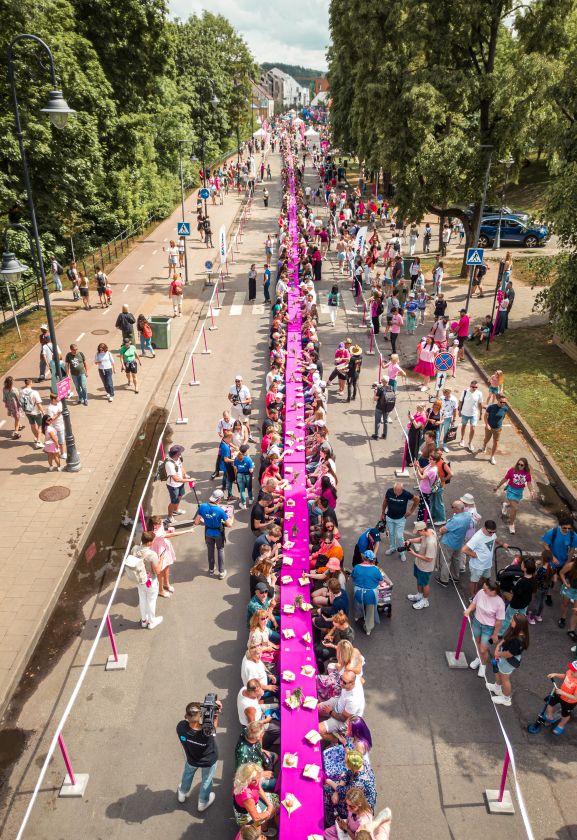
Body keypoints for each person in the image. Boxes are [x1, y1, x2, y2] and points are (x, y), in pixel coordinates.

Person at [176, 697, 222, 811]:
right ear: (200, 716)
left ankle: (182, 793)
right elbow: (213, 727)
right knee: (206, 780)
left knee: (187, 774)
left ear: (186, 716)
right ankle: (202, 802)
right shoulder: (207, 733)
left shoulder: (181, 727)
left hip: (192, 758)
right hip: (208, 761)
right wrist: (216, 713)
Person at [464, 579, 505, 679]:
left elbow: (499, 621)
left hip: (489, 628)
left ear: (493, 591)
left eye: (486, 589)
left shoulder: (500, 603)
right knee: (477, 643)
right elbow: (474, 603)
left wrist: (495, 635)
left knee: (483, 649)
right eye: (483, 588)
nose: (483, 590)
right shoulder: (481, 593)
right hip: (477, 623)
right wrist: (469, 610)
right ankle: (479, 658)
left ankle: (483, 665)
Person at [487, 614, 530, 706]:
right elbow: (505, 639)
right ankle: (497, 688)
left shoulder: (518, 640)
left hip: (508, 661)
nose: (511, 621)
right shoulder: (516, 630)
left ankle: (506, 699)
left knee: (505, 679)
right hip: (504, 656)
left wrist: (498, 654)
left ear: (519, 624)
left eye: (513, 621)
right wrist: (498, 646)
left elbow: (509, 654)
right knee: (499, 672)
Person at [463, 520, 508, 600]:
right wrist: (475, 555)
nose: (492, 534)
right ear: (484, 528)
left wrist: (502, 544)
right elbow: (464, 549)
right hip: (477, 566)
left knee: (485, 579)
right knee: (474, 581)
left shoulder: (492, 533)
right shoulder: (477, 538)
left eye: (494, 532)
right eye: (490, 532)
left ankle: (479, 592)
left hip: (487, 564)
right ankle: (473, 596)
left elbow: (495, 539)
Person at [194, 489, 232, 579]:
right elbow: (229, 524)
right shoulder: (220, 511)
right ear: (218, 499)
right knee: (220, 549)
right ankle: (221, 572)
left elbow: (196, 522)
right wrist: (231, 517)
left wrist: (206, 519)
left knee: (210, 550)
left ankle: (211, 570)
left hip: (208, 532)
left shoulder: (202, 507)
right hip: (218, 532)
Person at [129, 531, 164, 629]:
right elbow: (157, 571)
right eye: (153, 541)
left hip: (139, 579)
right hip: (150, 581)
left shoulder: (134, 549)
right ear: (149, 542)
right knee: (151, 601)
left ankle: (144, 620)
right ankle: (152, 622)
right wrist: (161, 559)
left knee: (142, 599)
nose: (153, 542)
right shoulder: (152, 555)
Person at [494, 457, 537, 534]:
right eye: (518, 464)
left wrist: (532, 491)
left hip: (519, 492)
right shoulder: (512, 470)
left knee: (513, 505)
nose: (519, 466)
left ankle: (506, 505)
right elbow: (505, 479)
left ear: (525, 466)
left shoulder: (527, 473)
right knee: (515, 508)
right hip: (511, 490)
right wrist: (497, 487)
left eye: (522, 465)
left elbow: (529, 483)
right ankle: (511, 524)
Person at [319, 670, 365, 741]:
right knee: (317, 708)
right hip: (339, 703)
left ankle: (336, 740)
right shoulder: (356, 678)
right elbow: (363, 680)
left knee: (319, 730)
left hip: (344, 720)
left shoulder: (353, 700)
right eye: (341, 679)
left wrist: (330, 712)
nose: (341, 683)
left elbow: (343, 718)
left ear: (352, 683)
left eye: (344, 682)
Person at [232, 763, 279, 831]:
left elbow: (258, 788)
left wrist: (269, 803)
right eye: (254, 780)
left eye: (258, 778)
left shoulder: (245, 779)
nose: (257, 782)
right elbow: (256, 818)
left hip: (252, 802)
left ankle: (264, 826)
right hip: (246, 816)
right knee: (275, 807)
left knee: (275, 798)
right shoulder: (247, 796)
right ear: (246, 779)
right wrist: (269, 811)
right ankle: (264, 829)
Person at [435, 500, 472, 586]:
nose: (452, 509)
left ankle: (444, 579)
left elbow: (443, 530)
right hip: (459, 542)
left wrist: (440, 529)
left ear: (457, 509)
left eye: (453, 507)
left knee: (445, 561)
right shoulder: (468, 515)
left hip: (449, 543)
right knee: (456, 559)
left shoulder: (455, 520)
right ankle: (455, 576)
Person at [234, 721, 277, 793]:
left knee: (275, 756)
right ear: (258, 737)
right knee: (276, 782)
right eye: (263, 733)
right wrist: (261, 774)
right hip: (251, 774)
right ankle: (259, 791)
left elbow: (255, 730)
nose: (264, 734)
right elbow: (243, 775)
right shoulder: (244, 754)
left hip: (257, 759)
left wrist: (261, 750)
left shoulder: (247, 731)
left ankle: (269, 770)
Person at [499, 557, 536, 635]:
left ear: (525, 569)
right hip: (525, 603)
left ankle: (500, 633)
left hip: (515, 604)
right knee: (521, 618)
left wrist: (514, 587)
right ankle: (519, 631)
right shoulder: (533, 579)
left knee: (508, 618)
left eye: (522, 564)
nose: (521, 564)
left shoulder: (522, 581)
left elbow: (514, 591)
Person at [406, 521, 437, 610]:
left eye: (418, 531)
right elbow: (421, 539)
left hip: (425, 567)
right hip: (419, 563)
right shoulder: (429, 531)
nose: (418, 533)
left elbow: (429, 559)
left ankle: (425, 601)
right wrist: (410, 540)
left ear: (423, 529)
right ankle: (419, 595)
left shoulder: (431, 543)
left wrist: (414, 554)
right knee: (419, 580)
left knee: (425, 583)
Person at [541, 660, 577, 736]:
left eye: (574, 671)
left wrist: (562, 693)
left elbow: (575, 697)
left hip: (569, 701)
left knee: (565, 715)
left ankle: (561, 725)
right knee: (549, 702)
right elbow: (565, 675)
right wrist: (556, 674)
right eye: (572, 669)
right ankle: (549, 716)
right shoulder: (570, 672)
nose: (571, 671)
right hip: (559, 693)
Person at [351, 551, 384, 635]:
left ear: (363, 558)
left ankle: (357, 616)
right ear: (372, 560)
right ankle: (368, 629)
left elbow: (353, 578)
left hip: (358, 592)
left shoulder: (356, 567)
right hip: (370, 595)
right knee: (370, 611)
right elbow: (381, 582)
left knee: (357, 604)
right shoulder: (376, 570)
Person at [381, 483, 419, 555]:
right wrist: (382, 513)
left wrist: (411, 511)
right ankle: (392, 548)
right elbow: (385, 501)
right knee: (391, 534)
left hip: (400, 519)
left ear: (402, 489)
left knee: (399, 536)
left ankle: (402, 552)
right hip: (389, 518)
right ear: (393, 489)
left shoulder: (406, 494)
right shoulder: (389, 491)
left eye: (399, 491)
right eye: (396, 491)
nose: (397, 493)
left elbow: (417, 499)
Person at [164, 444, 194, 523]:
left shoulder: (178, 458)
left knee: (180, 496)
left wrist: (185, 475)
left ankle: (176, 510)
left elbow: (181, 467)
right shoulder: (169, 464)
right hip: (173, 486)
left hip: (180, 484)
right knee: (173, 502)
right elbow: (176, 479)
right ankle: (169, 517)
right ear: (176, 454)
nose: (181, 454)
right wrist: (189, 480)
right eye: (180, 452)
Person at [478, 394, 508, 465]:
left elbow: (503, 416)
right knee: (486, 439)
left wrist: (500, 425)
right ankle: (484, 446)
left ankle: (492, 457)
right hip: (489, 427)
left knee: (496, 442)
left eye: (504, 402)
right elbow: (485, 416)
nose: (503, 404)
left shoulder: (505, 408)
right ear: (498, 401)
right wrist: (487, 424)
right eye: (501, 402)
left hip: (497, 428)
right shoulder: (491, 407)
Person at [458, 380, 484, 451]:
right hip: (465, 413)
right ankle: (462, 439)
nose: (474, 388)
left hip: (474, 414)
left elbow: (480, 404)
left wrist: (481, 414)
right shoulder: (465, 392)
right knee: (463, 426)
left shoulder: (479, 393)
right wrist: (459, 411)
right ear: (470, 386)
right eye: (473, 387)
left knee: (473, 428)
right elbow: (460, 401)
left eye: (476, 387)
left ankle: (470, 442)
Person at [18, 379, 44, 448]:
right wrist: (43, 411)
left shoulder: (21, 391)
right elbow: (38, 404)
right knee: (40, 426)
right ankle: (38, 441)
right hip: (36, 412)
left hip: (27, 411)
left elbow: (20, 401)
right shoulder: (35, 392)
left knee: (32, 425)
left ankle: (36, 438)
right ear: (31, 383)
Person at [228, 375, 255, 442]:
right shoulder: (232, 388)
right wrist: (232, 400)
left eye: (239, 381)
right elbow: (229, 396)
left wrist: (240, 402)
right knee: (234, 423)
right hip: (234, 409)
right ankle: (235, 436)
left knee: (246, 424)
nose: (237, 383)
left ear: (241, 381)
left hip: (243, 409)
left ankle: (249, 436)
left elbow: (249, 400)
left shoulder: (245, 389)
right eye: (236, 381)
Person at [234, 445, 255, 509]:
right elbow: (251, 470)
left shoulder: (236, 458)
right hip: (247, 475)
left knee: (242, 490)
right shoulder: (248, 459)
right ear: (246, 451)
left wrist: (235, 477)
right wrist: (253, 466)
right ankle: (251, 500)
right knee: (249, 488)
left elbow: (235, 468)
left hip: (239, 475)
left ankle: (243, 504)